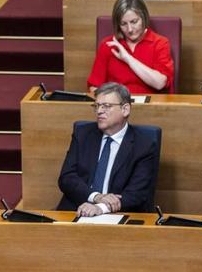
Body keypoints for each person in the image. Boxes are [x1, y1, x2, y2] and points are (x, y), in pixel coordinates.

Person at [57, 82, 160, 217]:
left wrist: (101, 207)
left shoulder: (144, 143)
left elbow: (137, 193)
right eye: (97, 106)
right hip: (78, 207)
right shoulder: (83, 133)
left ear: (125, 109)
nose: (99, 111)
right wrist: (96, 197)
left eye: (106, 106)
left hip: (120, 213)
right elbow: (66, 178)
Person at [87, 0, 174, 95]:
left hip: (151, 106)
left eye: (134, 22)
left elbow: (160, 83)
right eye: (123, 24)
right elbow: (94, 87)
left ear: (143, 17)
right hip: (116, 107)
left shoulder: (160, 43)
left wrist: (127, 58)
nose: (130, 29)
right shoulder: (108, 45)